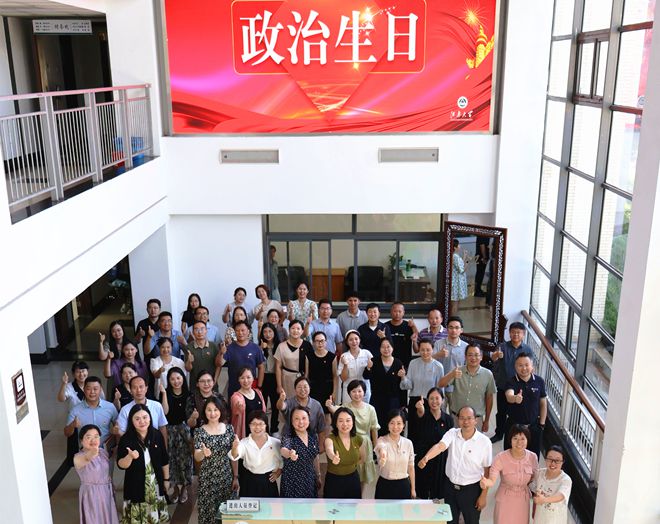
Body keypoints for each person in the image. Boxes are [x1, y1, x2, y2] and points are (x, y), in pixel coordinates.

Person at [418, 406, 492, 524]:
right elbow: (440, 446)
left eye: (469, 418)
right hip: (450, 488)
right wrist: (426, 457)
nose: (465, 422)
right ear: (458, 420)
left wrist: (483, 496)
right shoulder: (452, 433)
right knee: (449, 520)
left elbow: (487, 470)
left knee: (472, 521)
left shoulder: (484, 442)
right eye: (462, 418)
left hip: (471, 490)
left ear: (476, 420)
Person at [117, 404, 170, 523]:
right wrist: (129, 457)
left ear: (150, 418)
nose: (142, 421)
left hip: (155, 483)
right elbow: (120, 464)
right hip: (135, 485)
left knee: (155, 518)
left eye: (145, 417)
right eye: (137, 419)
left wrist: (166, 480)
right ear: (131, 421)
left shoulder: (157, 435)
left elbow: (164, 459)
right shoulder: (126, 439)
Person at [480, 424, 538, 524]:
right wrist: (486, 483)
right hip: (505, 500)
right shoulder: (501, 457)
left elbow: (535, 480)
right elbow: (492, 479)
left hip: (523, 501)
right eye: (515, 438)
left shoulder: (533, 457)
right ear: (510, 440)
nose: (519, 442)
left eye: (522, 439)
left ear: (527, 440)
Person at [326, 379, 379, 490]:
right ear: (349, 393)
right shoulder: (346, 407)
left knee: (363, 474)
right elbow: (335, 411)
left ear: (364, 392)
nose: (357, 394)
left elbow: (374, 429)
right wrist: (329, 406)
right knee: (351, 471)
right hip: (350, 441)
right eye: (354, 391)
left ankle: (359, 496)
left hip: (364, 443)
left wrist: (376, 447)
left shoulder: (371, 409)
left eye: (359, 391)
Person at [193, 397, 238, 524]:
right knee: (209, 513)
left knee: (227, 515)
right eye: (209, 410)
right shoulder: (199, 431)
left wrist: (235, 476)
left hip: (226, 476)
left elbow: (234, 456)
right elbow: (196, 456)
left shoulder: (229, 429)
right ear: (204, 412)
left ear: (221, 411)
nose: (212, 413)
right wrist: (203, 453)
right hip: (208, 478)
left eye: (215, 409)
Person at [490, 321, 532, 443]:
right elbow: (493, 358)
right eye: (513, 332)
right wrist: (496, 355)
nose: (516, 335)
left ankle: (514, 435)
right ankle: (499, 434)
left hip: (520, 388)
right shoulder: (502, 346)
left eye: (518, 332)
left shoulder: (527, 349)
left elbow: (529, 367)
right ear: (509, 333)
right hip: (503, 385)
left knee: (517, 412)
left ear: (523, 334)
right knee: (501, 412)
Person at [439, 344, 496, 432]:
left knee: (475, 441)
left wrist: (487, 420)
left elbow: (489, 398)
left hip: (476, 420)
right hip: (457, 418)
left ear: (481, 357)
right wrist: (452, 375)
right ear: (465, 357)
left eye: (476, 355)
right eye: (470, 355)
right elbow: (440, 384)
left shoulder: (488, 374)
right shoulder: (457, 371)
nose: (473, 358)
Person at [412, 387, 453, 500]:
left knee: (438, 494)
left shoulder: (448, 419)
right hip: (423, 459)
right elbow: (420, 413)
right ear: (427, 400)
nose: (434, 401)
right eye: (431, 398)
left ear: (443, 400)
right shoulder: (423, 415)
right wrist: (420, 409)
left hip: (441, 460)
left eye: (437, 398)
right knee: (422, 492)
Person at [400, 339, 445, 441]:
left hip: (431, 402)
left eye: (428, 350)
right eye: (422, 350)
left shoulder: (438, 366)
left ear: (433, 350)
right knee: (413, 431)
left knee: (428, 431)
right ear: (419, 350)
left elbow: (440, 389)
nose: (425, 352)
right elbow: (409, 385)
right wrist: (403, 377)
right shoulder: (413, 363)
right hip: (414, 401)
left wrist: (440, 405)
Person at [230, 410, 282, 497]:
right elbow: (235, 455)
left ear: (266, 425)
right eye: (253, 424)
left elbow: (282, 460)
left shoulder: (275, 442)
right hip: (249, 481)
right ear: (249, 426)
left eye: (261, 424)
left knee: (269, 505)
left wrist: (278, 472)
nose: (257, 427)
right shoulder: (244, 442)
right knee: (249, 505)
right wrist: (234, 447)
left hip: (268, 481)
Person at [159, 367, 192, 504]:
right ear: (168, 380)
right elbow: (165, 412)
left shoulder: (188, 394)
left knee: (185, 460)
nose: (176, 381)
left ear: (183, 378)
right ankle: (176, 489)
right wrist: (164, 394)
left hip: (184, 430)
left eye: (178, 378)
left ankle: (184, 488)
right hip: (170, 430)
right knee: (171, 460)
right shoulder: (165, 393)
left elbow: (189, 416)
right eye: (172, 379)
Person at [74, 424, 119, 524]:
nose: (93, 440)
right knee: (94, 519)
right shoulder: (78, 457)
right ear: (81, 440)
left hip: (106, 490)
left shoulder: (103, 452)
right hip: (91, 493)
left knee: (108, 517)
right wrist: (92, 453)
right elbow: (87, 458)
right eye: (88, 437)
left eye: (96, 436)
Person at [504, 353, 547, 456]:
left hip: (533, 427)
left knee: (533, 457)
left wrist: (542, 424)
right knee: (510, 456)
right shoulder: (511, 381)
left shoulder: (539, 381)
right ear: (515, 367)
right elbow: (509, 396)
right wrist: (515, 398)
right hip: (514, 427)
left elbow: (543, 403)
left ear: (532, 366)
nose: (524, 368)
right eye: (520, 365)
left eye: (527, 365)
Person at [363, 337, 404, 435]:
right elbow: (366, 376)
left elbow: (401, 386)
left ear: (392, 348)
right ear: (379, 348)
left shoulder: (398, 363)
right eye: (383, 347)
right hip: (377, 399)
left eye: (388, 347)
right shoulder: (374, 361)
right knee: (377, 425)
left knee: (392, 425)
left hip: (393, 401)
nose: (386, 349)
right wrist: (368, 367)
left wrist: (403, 403)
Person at [65, 377, 118, 450]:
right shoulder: (75, 410)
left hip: (106, 450)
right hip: (86, 451)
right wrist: (72, 425)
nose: (92, 392)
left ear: (100, 390)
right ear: (84, 389)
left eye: (95, 389)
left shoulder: (110, 407)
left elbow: (118, 427)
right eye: (88, 389)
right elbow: (67, 433)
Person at [58, 360, 95, 465]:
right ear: (74, 374)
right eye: (78, 372)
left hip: (91, 416)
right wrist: (64, 384)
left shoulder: (93, 384)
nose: (81, 374)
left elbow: (101, 398)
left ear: (87, 371)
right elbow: (61, 398)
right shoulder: (70, 386)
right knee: (75, 442)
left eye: (83, 371)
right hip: (75, 419)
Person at [280, 406, 321, 498]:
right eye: (296, 419)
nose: (301, 422)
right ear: (291, 421)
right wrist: (290, 454)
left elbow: (315, 457)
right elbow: (283, 450)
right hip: (292, 481)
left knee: (310, 505)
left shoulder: (313, 436)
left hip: (310, 478)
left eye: (303, 418)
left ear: (309, 419)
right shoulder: (288, 436)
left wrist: (318, 475)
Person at [374, 408, 416, 499]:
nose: (395, 427)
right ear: (388, 424)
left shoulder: (408, 443)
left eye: (399, 423)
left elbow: (411, 467)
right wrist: (383, 455)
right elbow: (381, 447)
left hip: (403, 486)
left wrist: (413, 489)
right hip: (385, 485)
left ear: (404, 425)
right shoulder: (382, 440)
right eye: (392, 423)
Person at [323, 407, 364, 499]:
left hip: (353, 480)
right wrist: (333, 457)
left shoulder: (358, 439)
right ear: (335, 423)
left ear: (353, 422)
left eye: (348, 420)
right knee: (332, 507)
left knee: (353, 507)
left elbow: (362, 458)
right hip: (334, 481)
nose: (345, 424)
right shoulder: (330, 439)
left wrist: (350, 466)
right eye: (341, 421)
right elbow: (329, 450)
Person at [117, 376, 168, 446]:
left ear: (146, 389)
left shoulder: (157, 405)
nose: (138, 390)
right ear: (130, 390)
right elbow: (120, 432)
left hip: (154, 444)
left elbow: (162, 428)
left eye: (141, 387)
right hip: (133, 446)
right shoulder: (125, 409)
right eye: (135, 387)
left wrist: (165, 447)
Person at [221, 320, 265, 397]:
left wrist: (259, 386)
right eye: (237, 331)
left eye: (242, 330)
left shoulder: (255, 348)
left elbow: (261, 367)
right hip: (234, 388)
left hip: (251, 388)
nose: (240, 333)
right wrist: (221, 353)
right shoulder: (229, 348)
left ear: (248, 331)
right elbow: (220, 363)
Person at [530, 445, 573, 523]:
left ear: (562, 462)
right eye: (550, 459)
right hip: (539, 519)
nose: (553, 463)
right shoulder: (539, 473)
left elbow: (561, 496)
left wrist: (544, 500)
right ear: (545, 459)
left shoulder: (565, 480)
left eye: (557, 460)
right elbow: (532, 487)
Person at [276, 376, 327, 441]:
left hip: (310, 440)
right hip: (290, 439)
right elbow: (280, 407)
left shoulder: (316, 405)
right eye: (299, 387)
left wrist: (321, 445)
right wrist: (281, 399)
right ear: (295, 389)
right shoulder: (290, 402)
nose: (302, 389)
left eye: (305, 387)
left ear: (309, 388)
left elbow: (321, 429)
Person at [433, 316, 468, 408]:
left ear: (461, 330)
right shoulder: (438, 344)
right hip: (440, 386)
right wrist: (438, 355)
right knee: (440, 413)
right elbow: (429, 361)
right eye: (451, 327)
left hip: (457, 388)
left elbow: (467, 368)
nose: (454, 330)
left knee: (455, 413)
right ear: (447, 329)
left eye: (457, 328)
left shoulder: (466, 347)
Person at [274, 319, 311, 398]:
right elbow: (278, 367)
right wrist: (279, 385)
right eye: (293, 328)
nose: (295, 331)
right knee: (288, 401)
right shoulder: (281, 346)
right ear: (289, 330)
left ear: (302, 331)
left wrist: (306, 379)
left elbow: (310, 365)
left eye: (298, 329)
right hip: (286, 379)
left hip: (302, 380)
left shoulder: (307, 345)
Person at [337, 329, 374, 404]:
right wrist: (345, 365)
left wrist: (369, 367)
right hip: (349, 389)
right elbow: (343, 378)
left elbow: (373, 373)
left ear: (359, 339)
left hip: (364, 389)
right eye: (350, 340)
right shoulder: (344, 356)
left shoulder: (367, 354)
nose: (354, 342)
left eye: (356, 339)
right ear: (347, 342)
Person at [182, 320, 222, 387]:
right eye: (196, 329)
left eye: (202, 329)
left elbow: (218, 365)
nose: (199, 332)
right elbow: (188, 369)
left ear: (206, 331)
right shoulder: (189, 347)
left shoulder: (213, 346)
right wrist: (189, 361)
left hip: (211, 384)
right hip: (195, 385)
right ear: (193, 332)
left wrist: (215, 379)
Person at [307, 331, 336, 422]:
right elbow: (306, 376)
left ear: (326, 342)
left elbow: (335, 376)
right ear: (313, 343)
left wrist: (334, 392)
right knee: (313, 414)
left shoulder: (332, 357)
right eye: (317, 341)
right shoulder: (309, 356)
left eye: (322, 341)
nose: (320, 343)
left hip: (327, 389)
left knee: (327, 415)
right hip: (313, 389)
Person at [230, 367, 266, 439]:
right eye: (242, 378)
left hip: (259, 432)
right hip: (245, 435)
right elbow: (236, 407)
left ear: (253, 378)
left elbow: (263, 413)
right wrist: (239, 406)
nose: (246, 381)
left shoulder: (258, 393)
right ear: (238, 380)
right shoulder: (236, 396)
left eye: (248, 377)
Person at [258, 321, 281, 434]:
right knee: (262, 405)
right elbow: (258, 362)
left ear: (274, 332)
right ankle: (264, 429)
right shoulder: (259, 346)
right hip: (263, 377)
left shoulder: (279, 346)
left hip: (275, 377)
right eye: (265, 332)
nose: (267, 334)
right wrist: (261, 349)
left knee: (275, 405)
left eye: (270, 331)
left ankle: (274, 429)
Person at [385, 302, 418, 369]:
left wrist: (414, 326)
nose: (397, 314)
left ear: (403, 312)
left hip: (405, 362)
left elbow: (417, 337)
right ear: (391, 312)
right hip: (389, 361)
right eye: (395, 311)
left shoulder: (409, 326)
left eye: (400, 311)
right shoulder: (385, 326)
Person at [450, 239, 469, 316]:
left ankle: (453, 318)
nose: (459, 246)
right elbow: (462, 270)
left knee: (455, 302)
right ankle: (453, 319)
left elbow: (460, 265)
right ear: (455, 247)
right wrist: (467, 263)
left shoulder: (454, 256)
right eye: (458, 245)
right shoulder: (455, 257)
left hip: (455, 282)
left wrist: (464, 256)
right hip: (456, 284)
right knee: (455, 303)